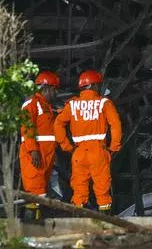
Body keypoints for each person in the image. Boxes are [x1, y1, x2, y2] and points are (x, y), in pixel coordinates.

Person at [54, 70, 122, 215]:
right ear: (94, 86)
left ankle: (79, 228)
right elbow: (115, 124)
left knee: (79, 190)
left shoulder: (72, 105)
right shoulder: (104, 102)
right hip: (98, 151)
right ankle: (105, 227)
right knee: (102, 191)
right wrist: (113, 147)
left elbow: (58, 124)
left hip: (78, 153)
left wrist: (67, 146)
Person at [20, 71, 60, 221]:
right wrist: (33, 150)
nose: (56, 93)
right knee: (34, 192)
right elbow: (26, 126)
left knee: (40, 192)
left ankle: (35, 227)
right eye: (54, 89)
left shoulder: (46, 105)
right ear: (46, 89)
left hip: (45, 154)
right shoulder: (31, 103)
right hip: (36, 154)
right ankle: (31, 228)